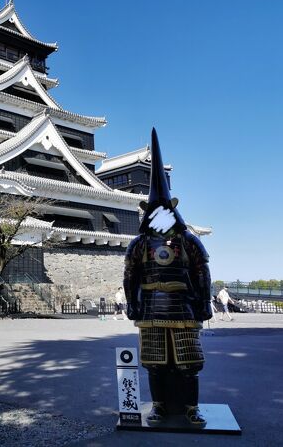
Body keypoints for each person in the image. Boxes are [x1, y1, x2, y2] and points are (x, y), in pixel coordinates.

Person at [123, 128, 213, 427]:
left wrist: (204, 302)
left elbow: (202, 272)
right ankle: (159, 406)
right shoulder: (139, 244)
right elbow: (131, 276)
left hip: (182, 304)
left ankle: (191, 407)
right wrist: (131, 304)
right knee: (154, 362)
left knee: (189, 362)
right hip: (150, 308)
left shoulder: (188, 241)